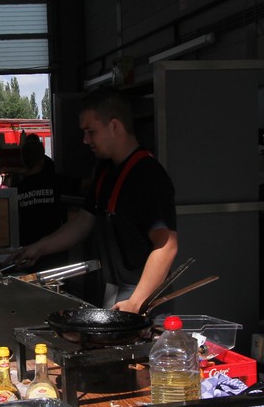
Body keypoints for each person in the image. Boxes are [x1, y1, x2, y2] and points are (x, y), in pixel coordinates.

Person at [13, 86, 177, 312]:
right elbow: (83, 221)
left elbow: (166, 246)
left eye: (91, 131)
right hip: (113, 288)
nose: (85, 139)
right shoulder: (104, 171)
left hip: (143, 295)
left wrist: (136, 301)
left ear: (114, 126)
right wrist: (38, 248)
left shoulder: (149, 176)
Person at [14, 133, 67, 261]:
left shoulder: (17, 188)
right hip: (54, 247)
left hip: (27, 249)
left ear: (22, 161)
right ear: (42, 160)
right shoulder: (55, 182)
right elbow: (82, 184)